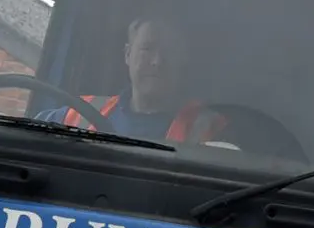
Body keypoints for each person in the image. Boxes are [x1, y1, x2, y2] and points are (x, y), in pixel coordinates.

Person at [62, 16, 225, 144]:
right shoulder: (81, 112)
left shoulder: (210, 129)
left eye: (170, 51)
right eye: (147, 48)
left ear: (183, 60)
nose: (157, 61)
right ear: (127, 54)